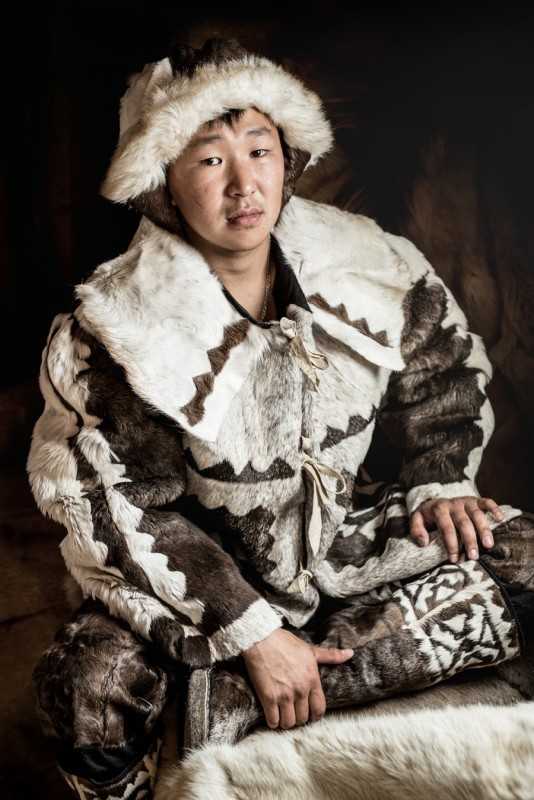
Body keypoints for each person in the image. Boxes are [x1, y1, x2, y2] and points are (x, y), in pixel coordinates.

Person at [28, 36, 534, 800]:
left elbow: (443, 374)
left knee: (523, 552)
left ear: (288, 157)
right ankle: (270, 671)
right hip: (192, 586)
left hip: (340, 546)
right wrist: (253, 632)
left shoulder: (367, 259)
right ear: (162, 183)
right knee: (85, 690)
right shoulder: (112, 327)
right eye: (210, 159)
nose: (245, 184)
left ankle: (240, 699)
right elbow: (118, 510)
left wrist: (441, 482)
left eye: (259, 150)